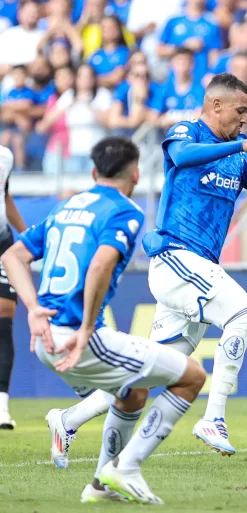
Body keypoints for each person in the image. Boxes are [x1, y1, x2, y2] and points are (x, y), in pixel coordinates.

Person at [47, 73, 247, 463]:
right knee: (245, 317)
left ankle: (68, 421)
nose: (245, 121)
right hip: (175, 257)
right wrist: (243, 143)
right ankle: (213, 418)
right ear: (215, 105)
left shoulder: (242, 155)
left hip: (198, 267)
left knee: (155, 370)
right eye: (240, 112)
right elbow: (183, 156)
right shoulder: (186, 131)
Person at [1, 137, 206, 504]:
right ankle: (124, 468)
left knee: (133, 392)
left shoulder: (67, 207)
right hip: (75, 338)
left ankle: (100, 485)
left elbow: (14, 256)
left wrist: (32, 308)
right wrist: (86, 329)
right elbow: (100, 264)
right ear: (137, 174)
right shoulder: (125, 211)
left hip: (46, 336)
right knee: (192, 376)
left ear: (94, 172)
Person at [0, 146, 27, 429]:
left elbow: (4, 196)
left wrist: (28, 234)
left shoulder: (5, 156)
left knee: (4, 319)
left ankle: (1, 406)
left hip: (2, 243)